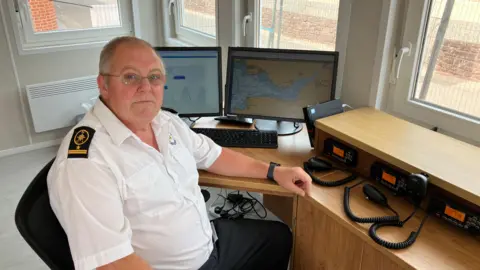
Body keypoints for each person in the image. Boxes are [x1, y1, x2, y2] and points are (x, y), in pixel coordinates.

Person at [47, 36, 312, 270]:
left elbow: (214, 155)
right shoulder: (86, 161)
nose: (145, 87)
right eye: (130, 76)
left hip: (210, 243)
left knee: (279, 237)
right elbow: (112, 262)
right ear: (103, 85)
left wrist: (274, 171)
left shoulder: (164, 122)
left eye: (154, 77)